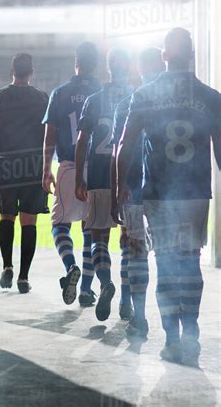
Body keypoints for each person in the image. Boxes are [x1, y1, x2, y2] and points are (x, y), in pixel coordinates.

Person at [117, 28, 221, 365]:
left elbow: (125, 145)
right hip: (195, 194)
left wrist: (121, 186)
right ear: (191, 54)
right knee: (190, 261)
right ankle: (191, 334)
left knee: (164, 262)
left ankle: (172, 339)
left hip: (158, 194)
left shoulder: (146, 94)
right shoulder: (211, 96)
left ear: (164, 56)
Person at [0, 53, 49, 293]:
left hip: (7, 164)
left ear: (12, 70)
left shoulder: (1, 96)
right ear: (31, 71)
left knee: (6, 216)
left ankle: (7, 266)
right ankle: (24, 277)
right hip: (34, 165)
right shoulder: (41, 98)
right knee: (30, 220)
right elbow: (50, 134)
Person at [110, 47, 164, 338]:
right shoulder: (170, 102)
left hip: (131, 188)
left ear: (140, 69)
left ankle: (134, 309)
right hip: (160, 188)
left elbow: (118, 149)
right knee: (166, 253)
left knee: (133, 249)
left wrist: (117, 188)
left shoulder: (129, 102)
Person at [75, 48, 132, 321]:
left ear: (108, 68)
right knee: (130, 240)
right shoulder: (137, 97)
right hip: (129, 177)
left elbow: (83, 141)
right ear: (129, 66)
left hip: (98, 175)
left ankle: (105, 282)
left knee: (98, 237)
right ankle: (127, 302)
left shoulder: (95, 100)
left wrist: (78, 179)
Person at [42, 42, 100, 306]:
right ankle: (87, 290)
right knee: (90, 228)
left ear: (75, 62)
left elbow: (50, 134)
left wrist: (46, 169)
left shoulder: (61, 92)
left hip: (68, 164)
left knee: (60, 225)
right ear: (96, 64)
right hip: (98, 166)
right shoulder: (102, 91)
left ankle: (70, 267)